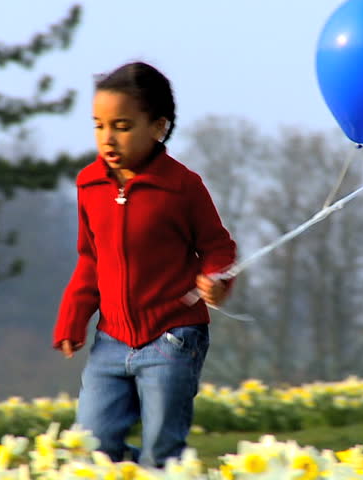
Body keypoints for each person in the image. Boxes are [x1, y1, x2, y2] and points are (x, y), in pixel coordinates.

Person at [53, 61, 237, 468]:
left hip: (173, 338)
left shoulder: (182, 186)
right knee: (92, 448)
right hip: (112, 340)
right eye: (99, 125)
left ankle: (163, 471)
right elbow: (89, 258)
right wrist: (72, 317)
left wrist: (216, 278)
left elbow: (218, 247)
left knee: (162, 449)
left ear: (158, 127)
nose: (108, 138)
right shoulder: (89, 184)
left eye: (122, 125)